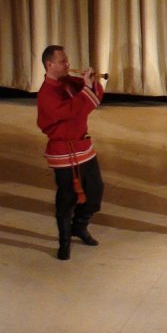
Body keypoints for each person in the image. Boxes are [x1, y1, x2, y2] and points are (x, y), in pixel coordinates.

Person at [36, 45, 106, 261]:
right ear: (50, 65)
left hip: (83, 147)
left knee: (95, 192)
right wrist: (86, 88)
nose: (68, 65)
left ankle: (79, 226)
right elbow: (72, 110)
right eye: (63, 62)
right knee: (66, 199)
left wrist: (90, 82)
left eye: (67, 61)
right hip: (63, 152)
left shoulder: (68, 82)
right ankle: (64, 241)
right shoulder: (46, 93)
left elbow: (92, 100)